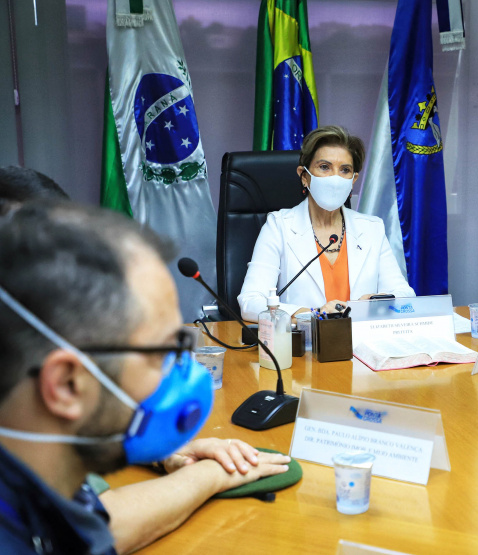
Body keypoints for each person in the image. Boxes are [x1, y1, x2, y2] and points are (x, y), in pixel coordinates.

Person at [0, 200, 292, 554]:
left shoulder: (36, 480)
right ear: (67, 385)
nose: (184, 371)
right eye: (164, 353)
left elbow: (95, 527)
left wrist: (192, 465)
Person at [238, 125, 415, 321]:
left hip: (362, 344)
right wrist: (313, 315)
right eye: (324, 167)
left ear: (353, 180)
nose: (335, 178)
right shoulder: (278, 226)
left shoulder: (372, 228)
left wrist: (374, 302)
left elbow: (404, 296)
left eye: (345, 170)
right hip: (305, 345)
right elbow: (251, 301)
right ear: (304, 176)